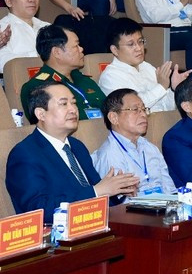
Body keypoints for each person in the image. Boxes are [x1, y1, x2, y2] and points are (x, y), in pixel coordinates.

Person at [7, 81, 140, 222]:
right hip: (60, 232)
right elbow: (37, 210)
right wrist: (97, 191)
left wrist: (119, 190)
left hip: (95, 223)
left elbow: (98, 192)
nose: (73, 109)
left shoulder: (77, 146)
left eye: (74, 103)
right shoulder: (25, 154)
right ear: (41, 114)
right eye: (64, 104)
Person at [92, 88, 176, 195]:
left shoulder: (149, 147)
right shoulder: (110, 154)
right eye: (135, 109)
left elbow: (170, 189)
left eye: (144, 109)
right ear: (114, 118)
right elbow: (120, 201)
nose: (143, 115)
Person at [99, 18, 190, 113]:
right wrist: (162, 86)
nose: (139, 48)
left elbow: (166, 107)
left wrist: (174, 89)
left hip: (162, 120)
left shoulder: (147, 67)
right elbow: (133, 108)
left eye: (140, 41)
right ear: (114, 50)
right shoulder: (110, 76)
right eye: (131, 44)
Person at [20, 25, 106, 122]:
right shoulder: (37, 87)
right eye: (76, 46)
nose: (81, 49)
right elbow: (47, 126)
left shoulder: (85, 80)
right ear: (57, 52)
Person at [0, 0, 49, 73]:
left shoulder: (47, 27)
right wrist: (40, 56)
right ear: (9, 1)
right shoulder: (3, 29)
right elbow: (3, 64)